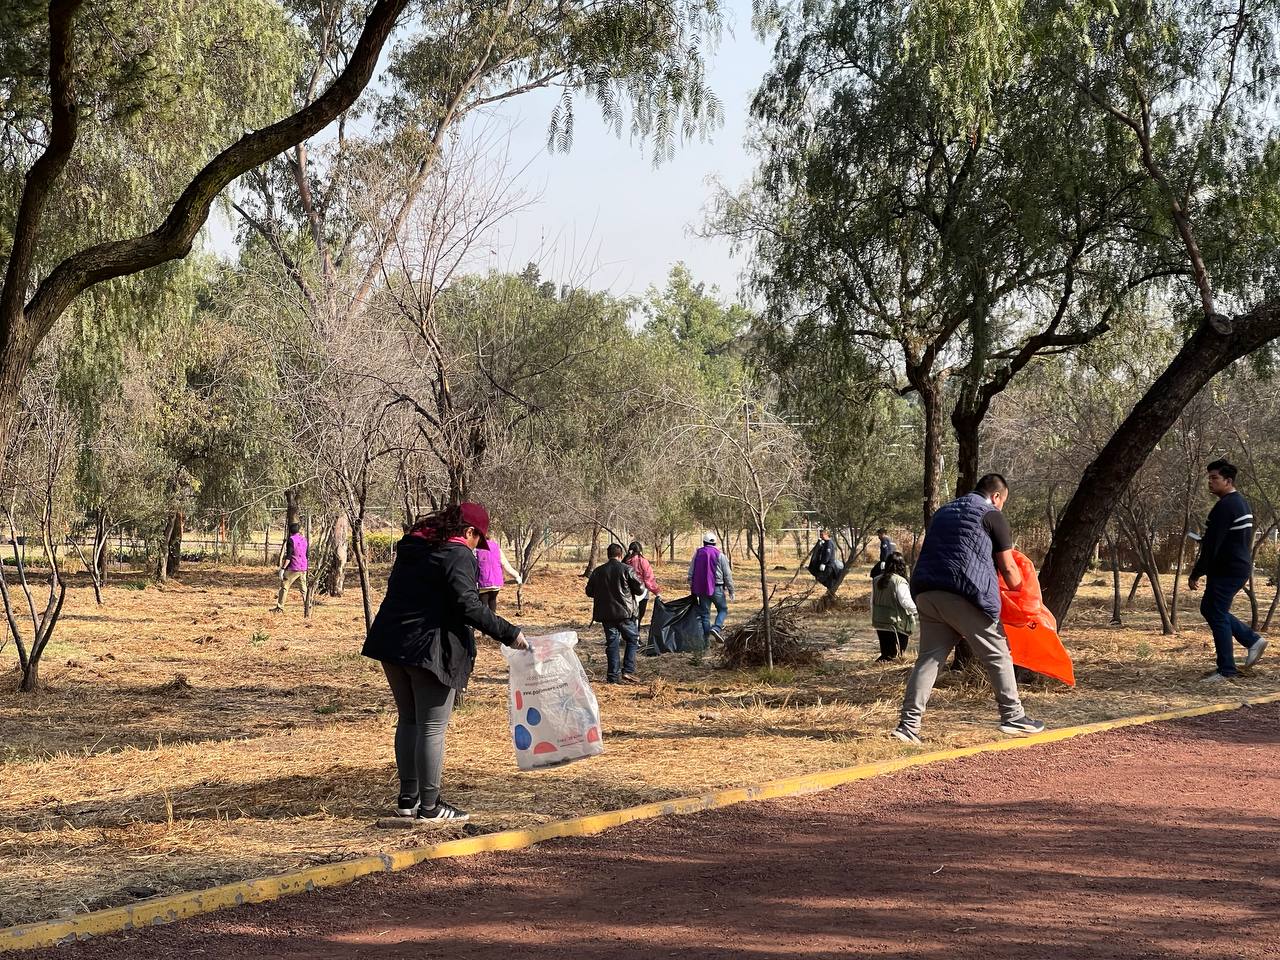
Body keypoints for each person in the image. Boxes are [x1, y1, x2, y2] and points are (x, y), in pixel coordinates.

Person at [362, 502, 527, 823]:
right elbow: (468, 606)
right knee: (432, 726)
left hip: (392, 641)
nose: (478, 547)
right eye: (478, 539)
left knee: (409, 720)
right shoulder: (457, 554)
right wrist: (510, 633)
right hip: (429, 648)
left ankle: (408, 800)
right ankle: (430, 806)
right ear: (468, 532)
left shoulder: (413, 546)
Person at [892, 474, 1046, 744]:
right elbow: (1008, 568)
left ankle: (908, 726)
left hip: (927, 592)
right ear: (996, 496)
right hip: (965, 594)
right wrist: (1022, 591)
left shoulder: (943, 512)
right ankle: (1013, 715)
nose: (1001, 508)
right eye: (1002, 502)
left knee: (929, 660)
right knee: (998, 654)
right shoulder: (991, 515)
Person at [1189, 459, 1268, 681]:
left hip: (1227, 569)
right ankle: (1252, 641)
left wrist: (1196, 572)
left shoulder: (1225, 506)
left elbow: (1213, 546)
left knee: (1216, 613)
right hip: (1234, 566)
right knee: (1211, 609)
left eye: (1214, 478)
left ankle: (1227, 670)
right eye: (1209, 478)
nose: (1210, 482)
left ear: (1228, 480)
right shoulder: (1238, 503)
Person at [586, 543, 646, 684]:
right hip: (624, 614)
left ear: (608, 555)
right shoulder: (627, 570)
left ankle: (613, 676)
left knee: (612, 643)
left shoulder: (598, 571)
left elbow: (589, 592)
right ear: (620, 555)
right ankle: (628, 671)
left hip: (606, 614)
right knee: (632, 639)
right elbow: (640, 589)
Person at [689, 532, 735, 641]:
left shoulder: (698, 553)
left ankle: (706, 642)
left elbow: (691, 572)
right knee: (723, 609)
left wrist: (692, 586)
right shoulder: (720, 555)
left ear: (704, 542)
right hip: (717, 588)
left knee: (705, 614)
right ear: (715, 543)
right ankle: (717, 627)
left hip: (702, 589)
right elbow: (727, 575)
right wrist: (731, 590)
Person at [871, 552, 917, 661]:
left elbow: (871, 602)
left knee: (886, 655)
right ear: (901, 565)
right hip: (896, 624)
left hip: (880, 622)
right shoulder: (899, 581)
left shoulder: (876, 579)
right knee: (896, 656)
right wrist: (917, 610)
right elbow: (905, 602)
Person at [476, 537, 522, 614]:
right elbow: (506, 565)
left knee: (483, 607)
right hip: (496, 583)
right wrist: (517, 576)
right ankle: (493, 622)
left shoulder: (476, 549)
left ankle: (484, 624)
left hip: (482, 583)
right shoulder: (497, 548)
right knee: (492, 601)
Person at [273, 522, 308, 611]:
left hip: (293, 567)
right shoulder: (304, 539)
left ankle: (280, 607)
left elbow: (289, 556)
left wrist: (283, 568)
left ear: (290, 531)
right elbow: (306, 554)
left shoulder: (291, 540)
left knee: (284, 587)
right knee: (304, 589)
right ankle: (308, 605)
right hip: (303, 567)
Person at [624, 541, 661, 624]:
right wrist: (657, 591)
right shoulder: (643, 561)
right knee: (639, 615)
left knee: (629, 616)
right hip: (642, 592)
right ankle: (636, 633)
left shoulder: (624, 562)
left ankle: (630, 633)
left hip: (627, 593)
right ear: (640, 551)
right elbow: (649, 579)